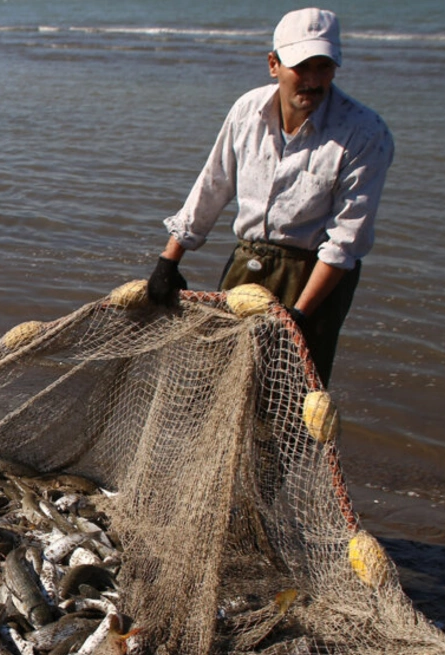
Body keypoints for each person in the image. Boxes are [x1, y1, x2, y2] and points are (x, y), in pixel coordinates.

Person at [147, 8, 392, 385]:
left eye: (324, 67)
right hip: (248, 263)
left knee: (288, 391)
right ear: (273, 64)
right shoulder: (247, 111)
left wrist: (300, 315)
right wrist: (169, 260)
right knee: (220, 378)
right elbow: (213, 184)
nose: (313, 81)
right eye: (301, 67)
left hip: (314, 275)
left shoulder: (365, 133)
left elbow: (345, 242)